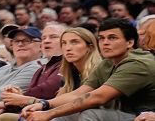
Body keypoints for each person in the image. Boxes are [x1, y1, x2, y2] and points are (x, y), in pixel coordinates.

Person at [20, 19, 155, 121]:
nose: (105, 43)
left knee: (91, 113)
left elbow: (98, 97)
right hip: (128, 113)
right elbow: (79, 93)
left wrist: (47, 113)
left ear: (130, 43)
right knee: (64, 117)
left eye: (112, 38)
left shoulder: (137, 63)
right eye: (101, 38)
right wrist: (44, 104)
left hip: (144, 115)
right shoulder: (108, 63)